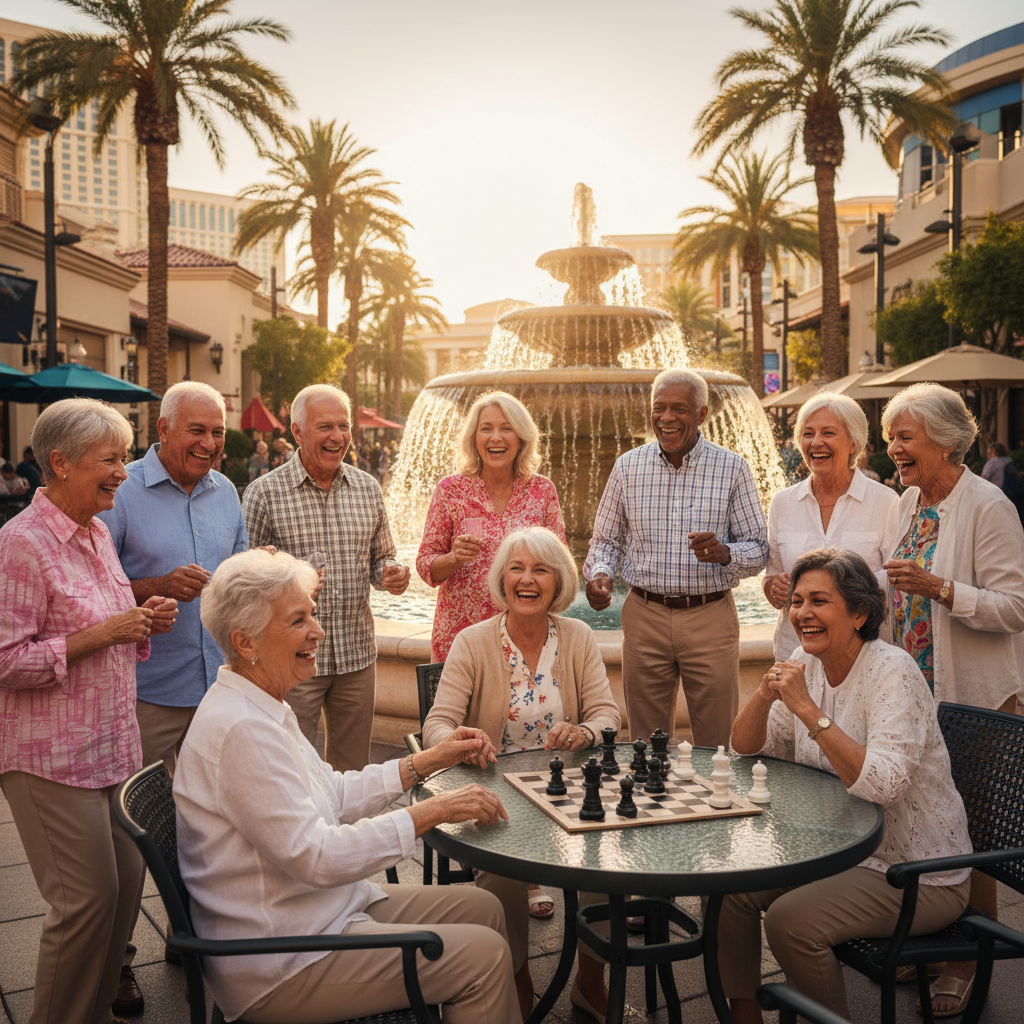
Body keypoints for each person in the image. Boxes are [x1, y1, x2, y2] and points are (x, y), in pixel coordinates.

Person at [173, 549, 520, 1024]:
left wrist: (424, 762)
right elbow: (319, 856)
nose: (317, 630)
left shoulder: (257, 703)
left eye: (312, 614)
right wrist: (431, 812)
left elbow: (330, 794)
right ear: (245, 641)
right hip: (280, 959)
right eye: (299, 620)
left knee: (483, 907)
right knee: (483, 955)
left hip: (314, 914)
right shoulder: (242, 729)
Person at [723, 548, 971, 1023]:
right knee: (732, 888)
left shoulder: (893, 672)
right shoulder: (805, 660)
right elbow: (747, 749)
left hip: (915, 871)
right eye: (796, 601)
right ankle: (745, 1016)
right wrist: (762, 693)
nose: (803, 614)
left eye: (819, 601)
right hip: (840, 849)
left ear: (859, 613)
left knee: (790, 922)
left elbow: (883, 784)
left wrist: (808, 712)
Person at [0, 398, 177, 1024]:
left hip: (111, 746)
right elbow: (6, 659)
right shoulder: (20, 544)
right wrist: (106, 632)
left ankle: (95, 1010)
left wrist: (142, 621)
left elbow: (110, 619)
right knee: (84, 901)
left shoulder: (98, 532)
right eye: (110, 460)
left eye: (124, 459)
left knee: (126, 885)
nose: (121, 473)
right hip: (49, 756)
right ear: (60, 463)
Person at [423, 526, 621, 1022]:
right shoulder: (473, 641)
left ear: (558, 583)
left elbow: (607, 713)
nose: (527, 580)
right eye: (517, 568)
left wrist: (587, 733)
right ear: (502, 579)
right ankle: (515, 979)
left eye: (540, 570)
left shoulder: (577, 636)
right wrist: (461, 741)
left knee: (607, 863)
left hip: (573, 791)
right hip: (498, 791)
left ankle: (590, 980)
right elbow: (436, 724)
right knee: (501, 881)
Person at [97, 380, 247, 1009]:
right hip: (149, 692)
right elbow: (95, 587)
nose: (210, 444)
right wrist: (157, 583)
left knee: (215, 826)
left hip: (217, 690)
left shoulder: (227, 491)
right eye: (197, 431)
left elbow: (237, 572)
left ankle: (195, 935)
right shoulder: (120, 491)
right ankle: (116, 965)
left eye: (216, 432)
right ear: (162, 430)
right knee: (133, 837)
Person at [881, 382, 1024, 1016]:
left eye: (904, 437)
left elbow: (1014, 608)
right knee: (924, 824)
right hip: (914, 692)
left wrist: (941, 588)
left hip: (971, 697)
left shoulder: (989, 506)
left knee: (971, 833)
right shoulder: (907, 501)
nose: (894, 448)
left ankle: (967, 959)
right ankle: (927, 945)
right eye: (891, 436)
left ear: (944, 441)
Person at [416, 391, 566, 919]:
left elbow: (558, 561)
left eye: (505, 428)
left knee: (524, 740)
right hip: (464, 640)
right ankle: (493, 857)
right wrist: (450, 558)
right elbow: (423, 566)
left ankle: (524, 871)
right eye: (486, 428)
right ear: (474, 438)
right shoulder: (452, 490)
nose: (495, 437)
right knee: (475, 746)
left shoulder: (540, 490)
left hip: (528, 638)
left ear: (521, 436)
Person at [584, 368, 768, 748]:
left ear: (701, 414)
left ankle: (718, 806)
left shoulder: (732, 467)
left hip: (710, 617)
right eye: (659, 408)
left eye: (679, 409)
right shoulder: (627, 466)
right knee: (645, 743)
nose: (666, 418)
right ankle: (653, 807)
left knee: (718, 741)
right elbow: (605, 540)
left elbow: (758, 547)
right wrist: (600, 574)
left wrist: (724, 553)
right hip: (644, 615)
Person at [242, 383, 410, 773]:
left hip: (356, 656)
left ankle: (347, 836)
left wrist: (391, 574)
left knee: (353, 771)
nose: (338, 437)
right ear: (297, 432)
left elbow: (380, 560)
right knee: (288, 770)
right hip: (291, 659)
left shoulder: (367, 488)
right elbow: (247, 582)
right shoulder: (263, 493)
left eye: (344, 426)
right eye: (325, 427)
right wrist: (287, 578)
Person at [762, 392, 896, 661]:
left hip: (863, 655)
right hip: (795, 653)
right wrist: (773, 588)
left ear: (853, 443)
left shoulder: (886, 502)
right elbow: (772, 578)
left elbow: (897, 584)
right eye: (808, 433)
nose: (816, 442)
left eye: (828, 433)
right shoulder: (782, 503)